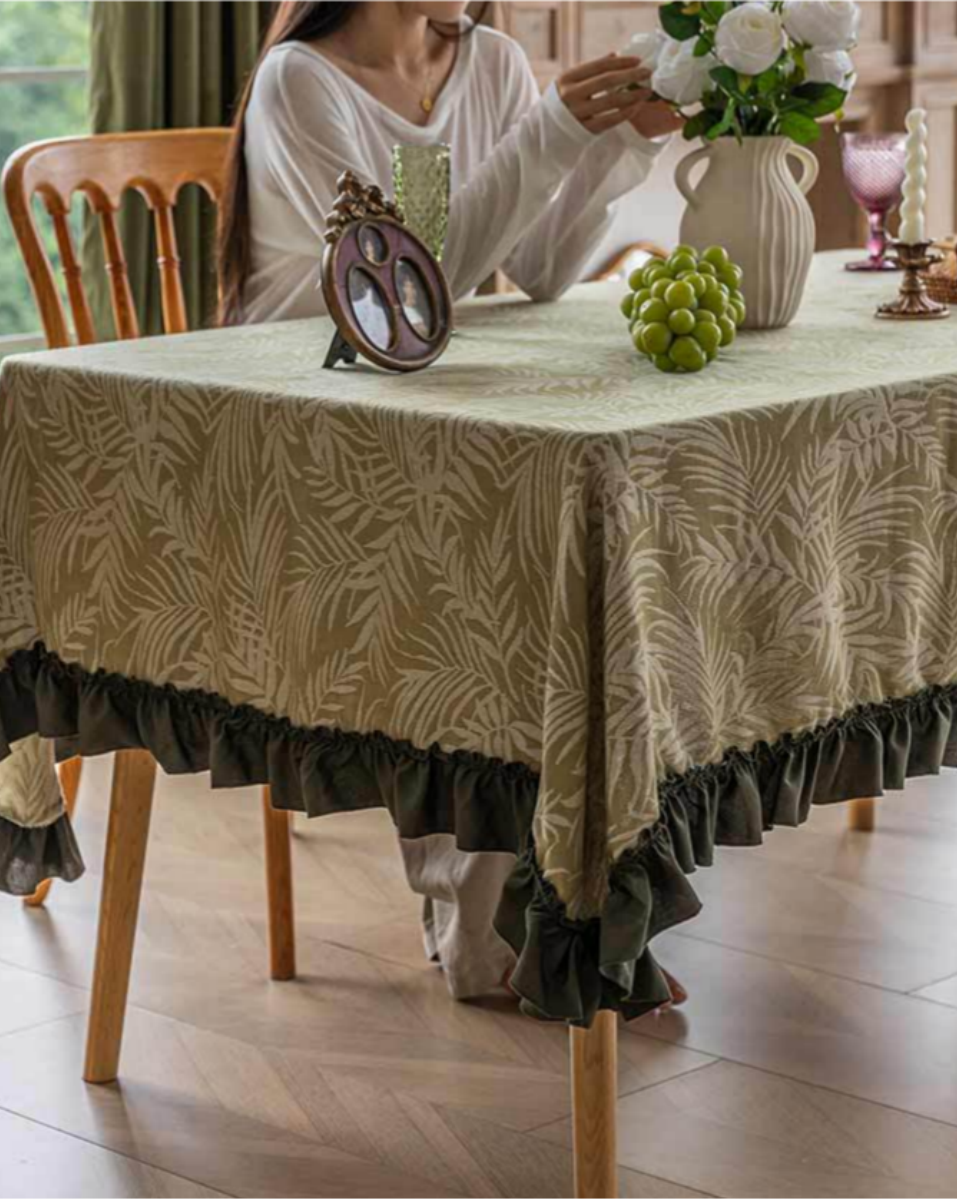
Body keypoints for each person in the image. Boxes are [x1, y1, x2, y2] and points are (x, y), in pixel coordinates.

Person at [216, 0, 688, 1008]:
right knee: (494, 555)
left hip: (428, 404)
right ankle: (482, 917)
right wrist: (554, 130)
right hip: (295, 420)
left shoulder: (492, 62)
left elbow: (543, 270)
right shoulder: (301, 81)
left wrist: (610, 146)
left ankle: (555, 902)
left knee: (581, 554)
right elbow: (412, 290)